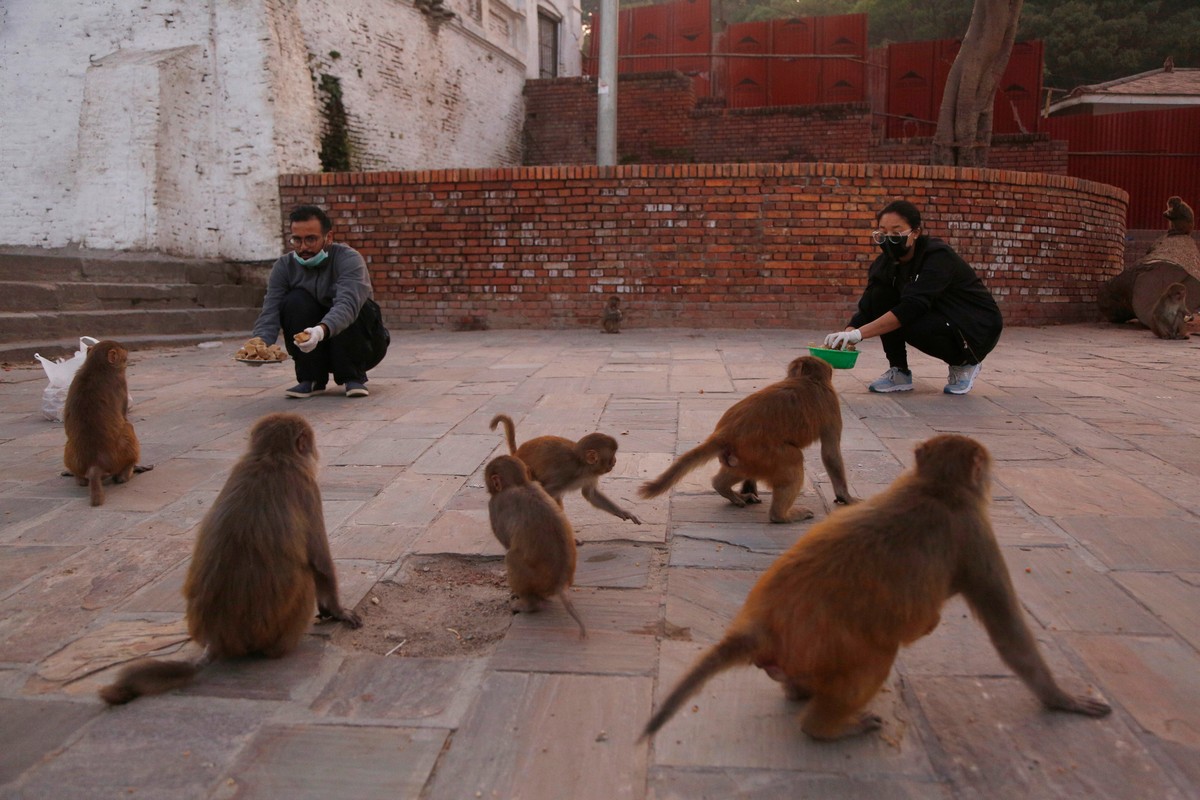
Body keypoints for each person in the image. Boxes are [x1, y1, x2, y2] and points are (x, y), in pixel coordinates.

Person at [823, 200, 1002, 396]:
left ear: (915, 232)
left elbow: (913, 306)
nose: (888, 238)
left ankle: (964, 363)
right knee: (881, 296)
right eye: (883, 232)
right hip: (936, 314)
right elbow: (870, 304)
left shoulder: (937, 257)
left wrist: (859, 335)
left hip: (975, 327)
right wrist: (848, 334)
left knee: (909, 321)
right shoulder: (886, 263)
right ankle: (899, 371)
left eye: (896, 232)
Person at [248, 205, 388, 398]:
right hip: (313, 349)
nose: (303, 247)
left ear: (328, 237)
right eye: (297, 239)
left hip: (365, 345)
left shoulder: (349, 259)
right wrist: (258, 344)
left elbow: (347, 304)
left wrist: (320, 331)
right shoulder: (284, 266)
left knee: (359, 306)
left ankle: (353, 376)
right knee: (294, 301)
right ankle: (311, 379)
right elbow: (270, 308)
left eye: (311, 239)